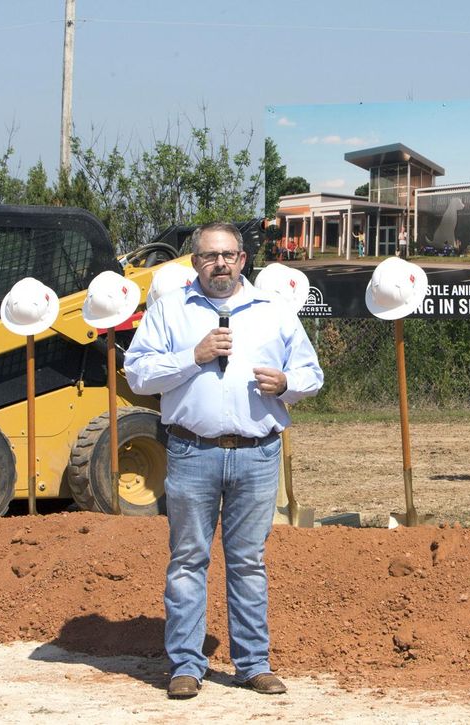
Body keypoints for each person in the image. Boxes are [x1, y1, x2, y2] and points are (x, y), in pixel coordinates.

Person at [124, 222, 324, 700]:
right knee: (189, 561)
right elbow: (137, 375)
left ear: (243, 260)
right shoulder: (170, 310)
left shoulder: (273, 311)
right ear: (195, 262)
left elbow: (312, 373)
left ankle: (253, 664)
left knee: (248, 563)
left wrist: (286, 385)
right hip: (192, 451)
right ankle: (185, 666)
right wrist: (193, 356)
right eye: (210, 256)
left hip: (257, 455)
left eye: (229, 255)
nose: (221, 263)